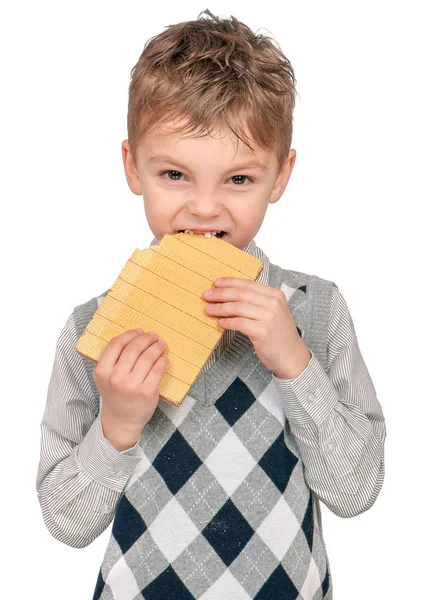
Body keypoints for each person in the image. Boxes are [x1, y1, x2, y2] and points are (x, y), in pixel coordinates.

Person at [36, 10, 386, 599]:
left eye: (239, 179)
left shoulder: (316, 309)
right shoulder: (91, 328)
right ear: (133, 167)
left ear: (281, 175)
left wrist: (295, 364)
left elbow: (357, 491)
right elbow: (66, 522)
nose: (204, 208)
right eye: (175, 173)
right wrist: (118, 425)